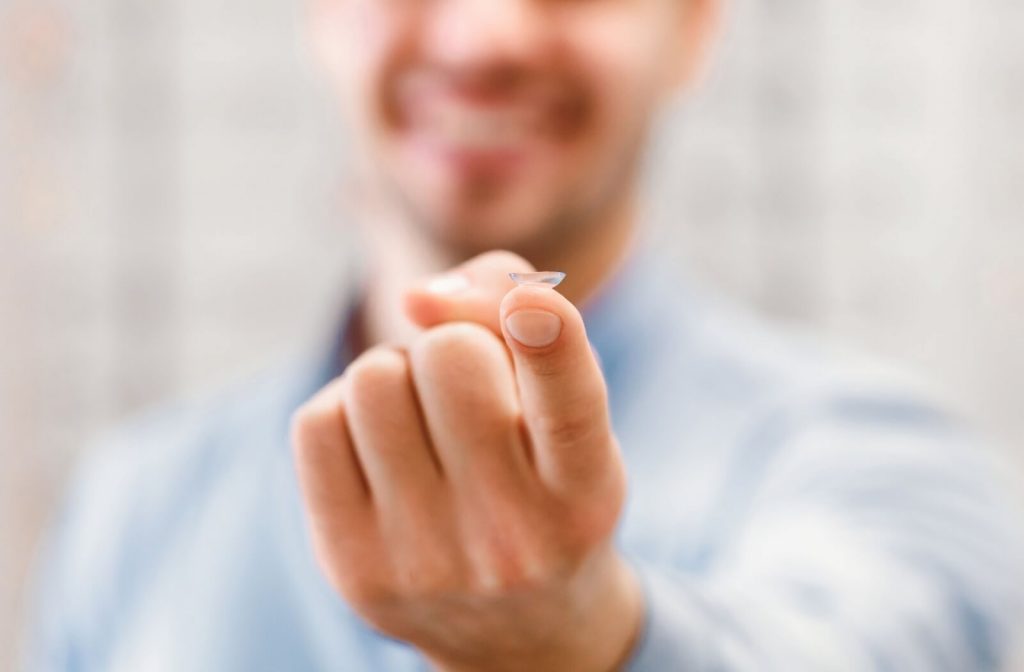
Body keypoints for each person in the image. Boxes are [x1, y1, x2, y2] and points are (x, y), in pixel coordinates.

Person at [25, 0, 1024, 669]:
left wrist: (586, 638)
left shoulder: (875, 460)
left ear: (691, 28)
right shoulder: (135, 507)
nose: (487, 35)